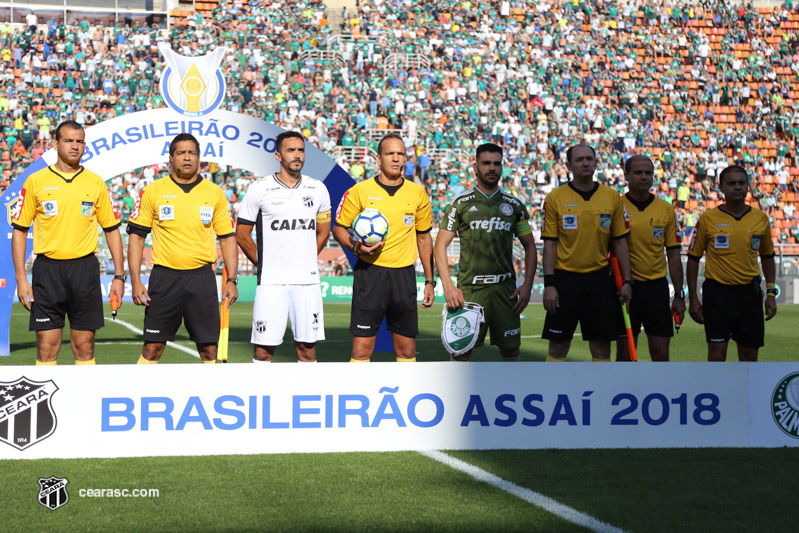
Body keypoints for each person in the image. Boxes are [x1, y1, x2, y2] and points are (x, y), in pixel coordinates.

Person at [11, 120, 125, 365]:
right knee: (46, 347)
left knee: (84, 346)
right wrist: (21, 279)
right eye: (68, 141)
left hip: (84, 270)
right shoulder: (35, 181)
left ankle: (84, 402)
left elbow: (112, 229)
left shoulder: (95, 182)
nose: (75, 146)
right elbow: (20, 230)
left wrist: (119, 275)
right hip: (48, 270)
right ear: (55, 144)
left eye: (79, 141)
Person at [127, 133, 238, 363]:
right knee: (152, 348)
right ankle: (138, 392)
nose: (187, 158)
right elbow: (137, 238)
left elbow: (227, 238)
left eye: (192, 153)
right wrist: (136, 281)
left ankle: (214, 396)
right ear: (171, 158)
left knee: (209, 349)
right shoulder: (153, 191)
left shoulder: (214, 193)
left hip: (202, 279)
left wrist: (232, 279)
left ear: (199, 159)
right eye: (181, 153)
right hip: (164, 278)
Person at [332, 133, 435, 362]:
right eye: (390, 154)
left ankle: (406, 395)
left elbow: (424, 239)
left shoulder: (417, 193)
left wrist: (429, 281)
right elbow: (339, 228)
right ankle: (359, 395)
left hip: (404, 276)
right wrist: (355, 248)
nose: (396, 159)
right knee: (361, 349)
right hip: (370, 274)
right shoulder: (359, 191)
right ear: (378, 159)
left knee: (407, 349)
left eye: (401, 154)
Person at [434, 143, 537, 361]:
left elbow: (529, 245)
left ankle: (511, 395)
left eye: (497, 164)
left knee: (510, 350)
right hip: (470, 291)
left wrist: (527, 284)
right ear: (475, 167)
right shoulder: (459, 204)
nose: (492, 168)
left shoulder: (514, 205)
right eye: (486, 163)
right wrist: (449, 286)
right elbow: (440, 245)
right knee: (461, 352)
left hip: (505, 290)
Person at [235, 131, 331, 363]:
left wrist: (306, 257)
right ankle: (261, 397)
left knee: (307, 349)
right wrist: (263, 263)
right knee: (263, 351)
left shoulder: (317, 188)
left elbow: (324, 231)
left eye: (300, 150)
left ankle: (305, 398)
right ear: (278, 155)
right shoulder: (260, 189)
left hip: (307, 282)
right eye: (291, 150)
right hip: (271, 282)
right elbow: (242, 234)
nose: (297, 155)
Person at [541, 144, 633, 362]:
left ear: (595, 162)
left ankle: (600, 394)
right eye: (580, 159)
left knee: (601, 348)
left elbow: (620, 243)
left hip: (600, 280)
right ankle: (551, 392)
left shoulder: (612, 197)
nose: (586, 163)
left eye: (590, 159)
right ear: (569, 165)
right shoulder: (555, 198)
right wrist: (549, 284)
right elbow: (550, 246)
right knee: (558, 346)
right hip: (565, 280)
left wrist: (628, 281)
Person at [687, 165, 777, 361]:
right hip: (717, 294)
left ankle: (745, 393)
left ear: (748, 186)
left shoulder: (760, 219)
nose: (737, 187)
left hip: (749, 294)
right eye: (732, 183)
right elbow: (693, 258)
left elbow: (768, 256)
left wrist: (771, 292)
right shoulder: (708, 218)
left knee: (749, 357)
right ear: (721, 187)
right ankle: (716, 392)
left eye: (741, 183)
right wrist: (693, 298)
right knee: (717, 356)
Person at [615, 155, 685, 361]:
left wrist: (679, 294)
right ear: (627, 175)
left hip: (656, 289)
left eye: (648, 173)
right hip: (625, 289)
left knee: (661, 352)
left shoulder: (666, 209)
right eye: (638, 172)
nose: (644, 177)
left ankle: (660, 392)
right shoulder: (615, 206)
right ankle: (623, 393)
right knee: (625, 354)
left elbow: (673, 254)